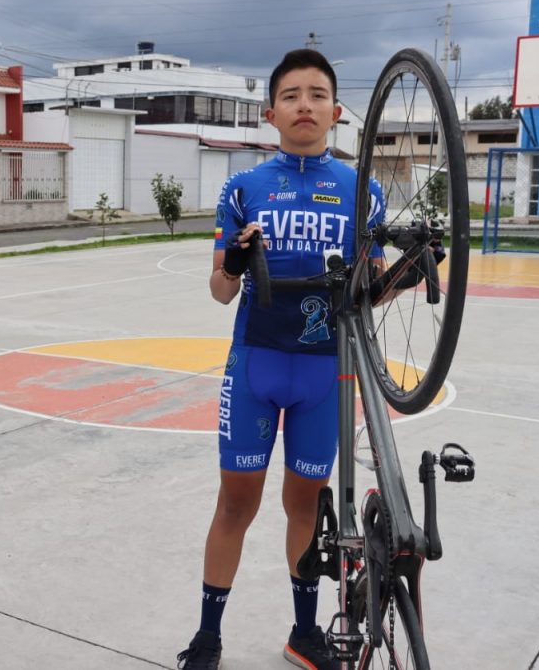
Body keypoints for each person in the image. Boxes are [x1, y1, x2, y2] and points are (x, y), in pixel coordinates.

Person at [175, 49, 387, 670]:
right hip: (256, 369)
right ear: (270, 113)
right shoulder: (243, 188)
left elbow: (371, 292)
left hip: (325, 373)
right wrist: (234, 267)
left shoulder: (362, 191)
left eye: (317, 94)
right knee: (235, 505)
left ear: (336, 112)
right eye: (291, 95)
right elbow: (219, 289)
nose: (304, 105)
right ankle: (209, 635)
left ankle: (304, 632)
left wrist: (410, 269)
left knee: (305, 506)